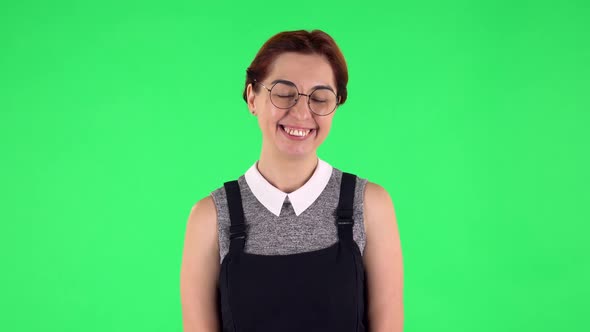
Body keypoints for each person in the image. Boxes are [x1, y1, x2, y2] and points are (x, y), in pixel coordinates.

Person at [180, 29, 403, 332]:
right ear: (252, 98)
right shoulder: (210, 217)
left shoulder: (369, 205)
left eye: (320, 98)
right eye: (284, 93)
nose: (301, 112)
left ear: (335, 105)